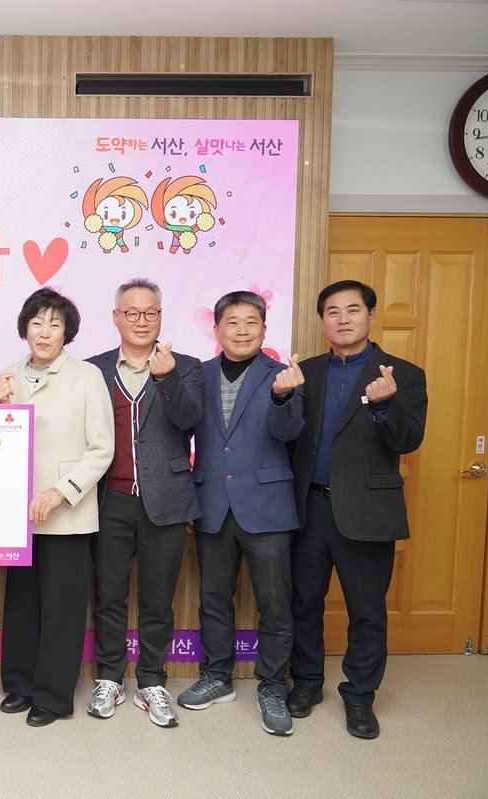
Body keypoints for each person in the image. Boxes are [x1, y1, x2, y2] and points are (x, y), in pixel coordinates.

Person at [288, 279, 427, 740]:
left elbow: (409, 441)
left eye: (352, 310)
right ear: (321, 320)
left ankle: (360, 695)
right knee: (303, 602)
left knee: (366, 610)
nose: (342, 319)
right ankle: (307, 681)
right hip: (309, 506)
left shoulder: (404, 374)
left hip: (366, 510)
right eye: (332, 311)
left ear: (371, 316)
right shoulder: (306, 372)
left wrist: (385, 408)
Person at [176, 291, 304, 735]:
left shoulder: (283, 375)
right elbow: (183, 433)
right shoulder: (198, 374)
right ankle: (216, 676)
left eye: (252, 322)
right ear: (216, 329)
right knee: (213, 598)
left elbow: (289, 432)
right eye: (232, 322)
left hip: (268, 507)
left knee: (275, 603)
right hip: (212, 503)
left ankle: (273, 686)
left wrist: (283, 398)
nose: (242, 330)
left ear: (265, 329)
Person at [0, 287, 114, 727]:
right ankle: (20, 684)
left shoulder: (87, 375)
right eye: (37, 322)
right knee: (22, 603)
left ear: (68, 332)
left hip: (66, 511)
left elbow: (101, 448)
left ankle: (53, 695)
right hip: (19, 513)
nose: (44, 332)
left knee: (62, 607)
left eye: (55, 324)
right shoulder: (7, 376)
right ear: (24, 328)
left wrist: (59, 492)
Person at [86, 277, 203, 728]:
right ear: (116, 317)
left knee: (158, 599)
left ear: (160, 317)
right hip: (108, 501)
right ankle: (109, 677)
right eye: (131, 313)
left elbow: (190, 420)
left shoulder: (186, 367)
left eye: (150, 313)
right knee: (109, 596)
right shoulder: (93, 369)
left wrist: (166, 378)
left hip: (166, 502)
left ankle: (152, 680)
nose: (141, 321)